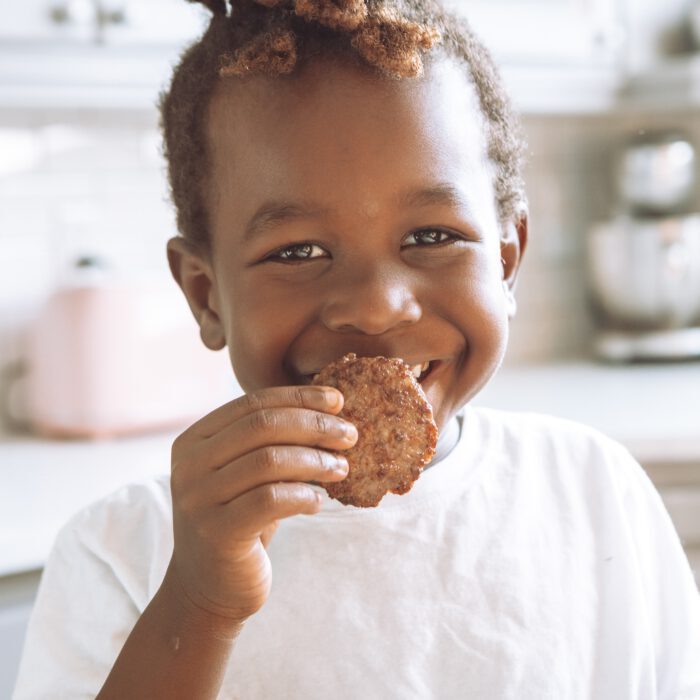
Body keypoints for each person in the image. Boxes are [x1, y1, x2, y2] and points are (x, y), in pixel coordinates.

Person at [13, 0, 700, 697]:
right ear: (206, 295)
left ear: (507, 260)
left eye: (431, 237)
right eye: (299, 250)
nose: (376, 305)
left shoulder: (594, 492)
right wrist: (201, 603)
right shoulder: (122, 553)